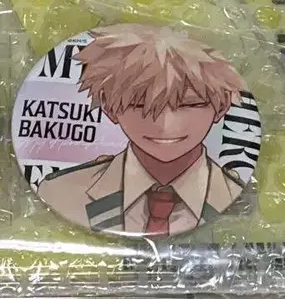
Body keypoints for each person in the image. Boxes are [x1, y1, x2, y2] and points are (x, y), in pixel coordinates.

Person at [37, 24, 245, 236]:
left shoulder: (239, 197)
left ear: (222, 106)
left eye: (191, 104)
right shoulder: (60, 191)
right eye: (139, 105)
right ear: (109, 108)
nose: (165, 125)